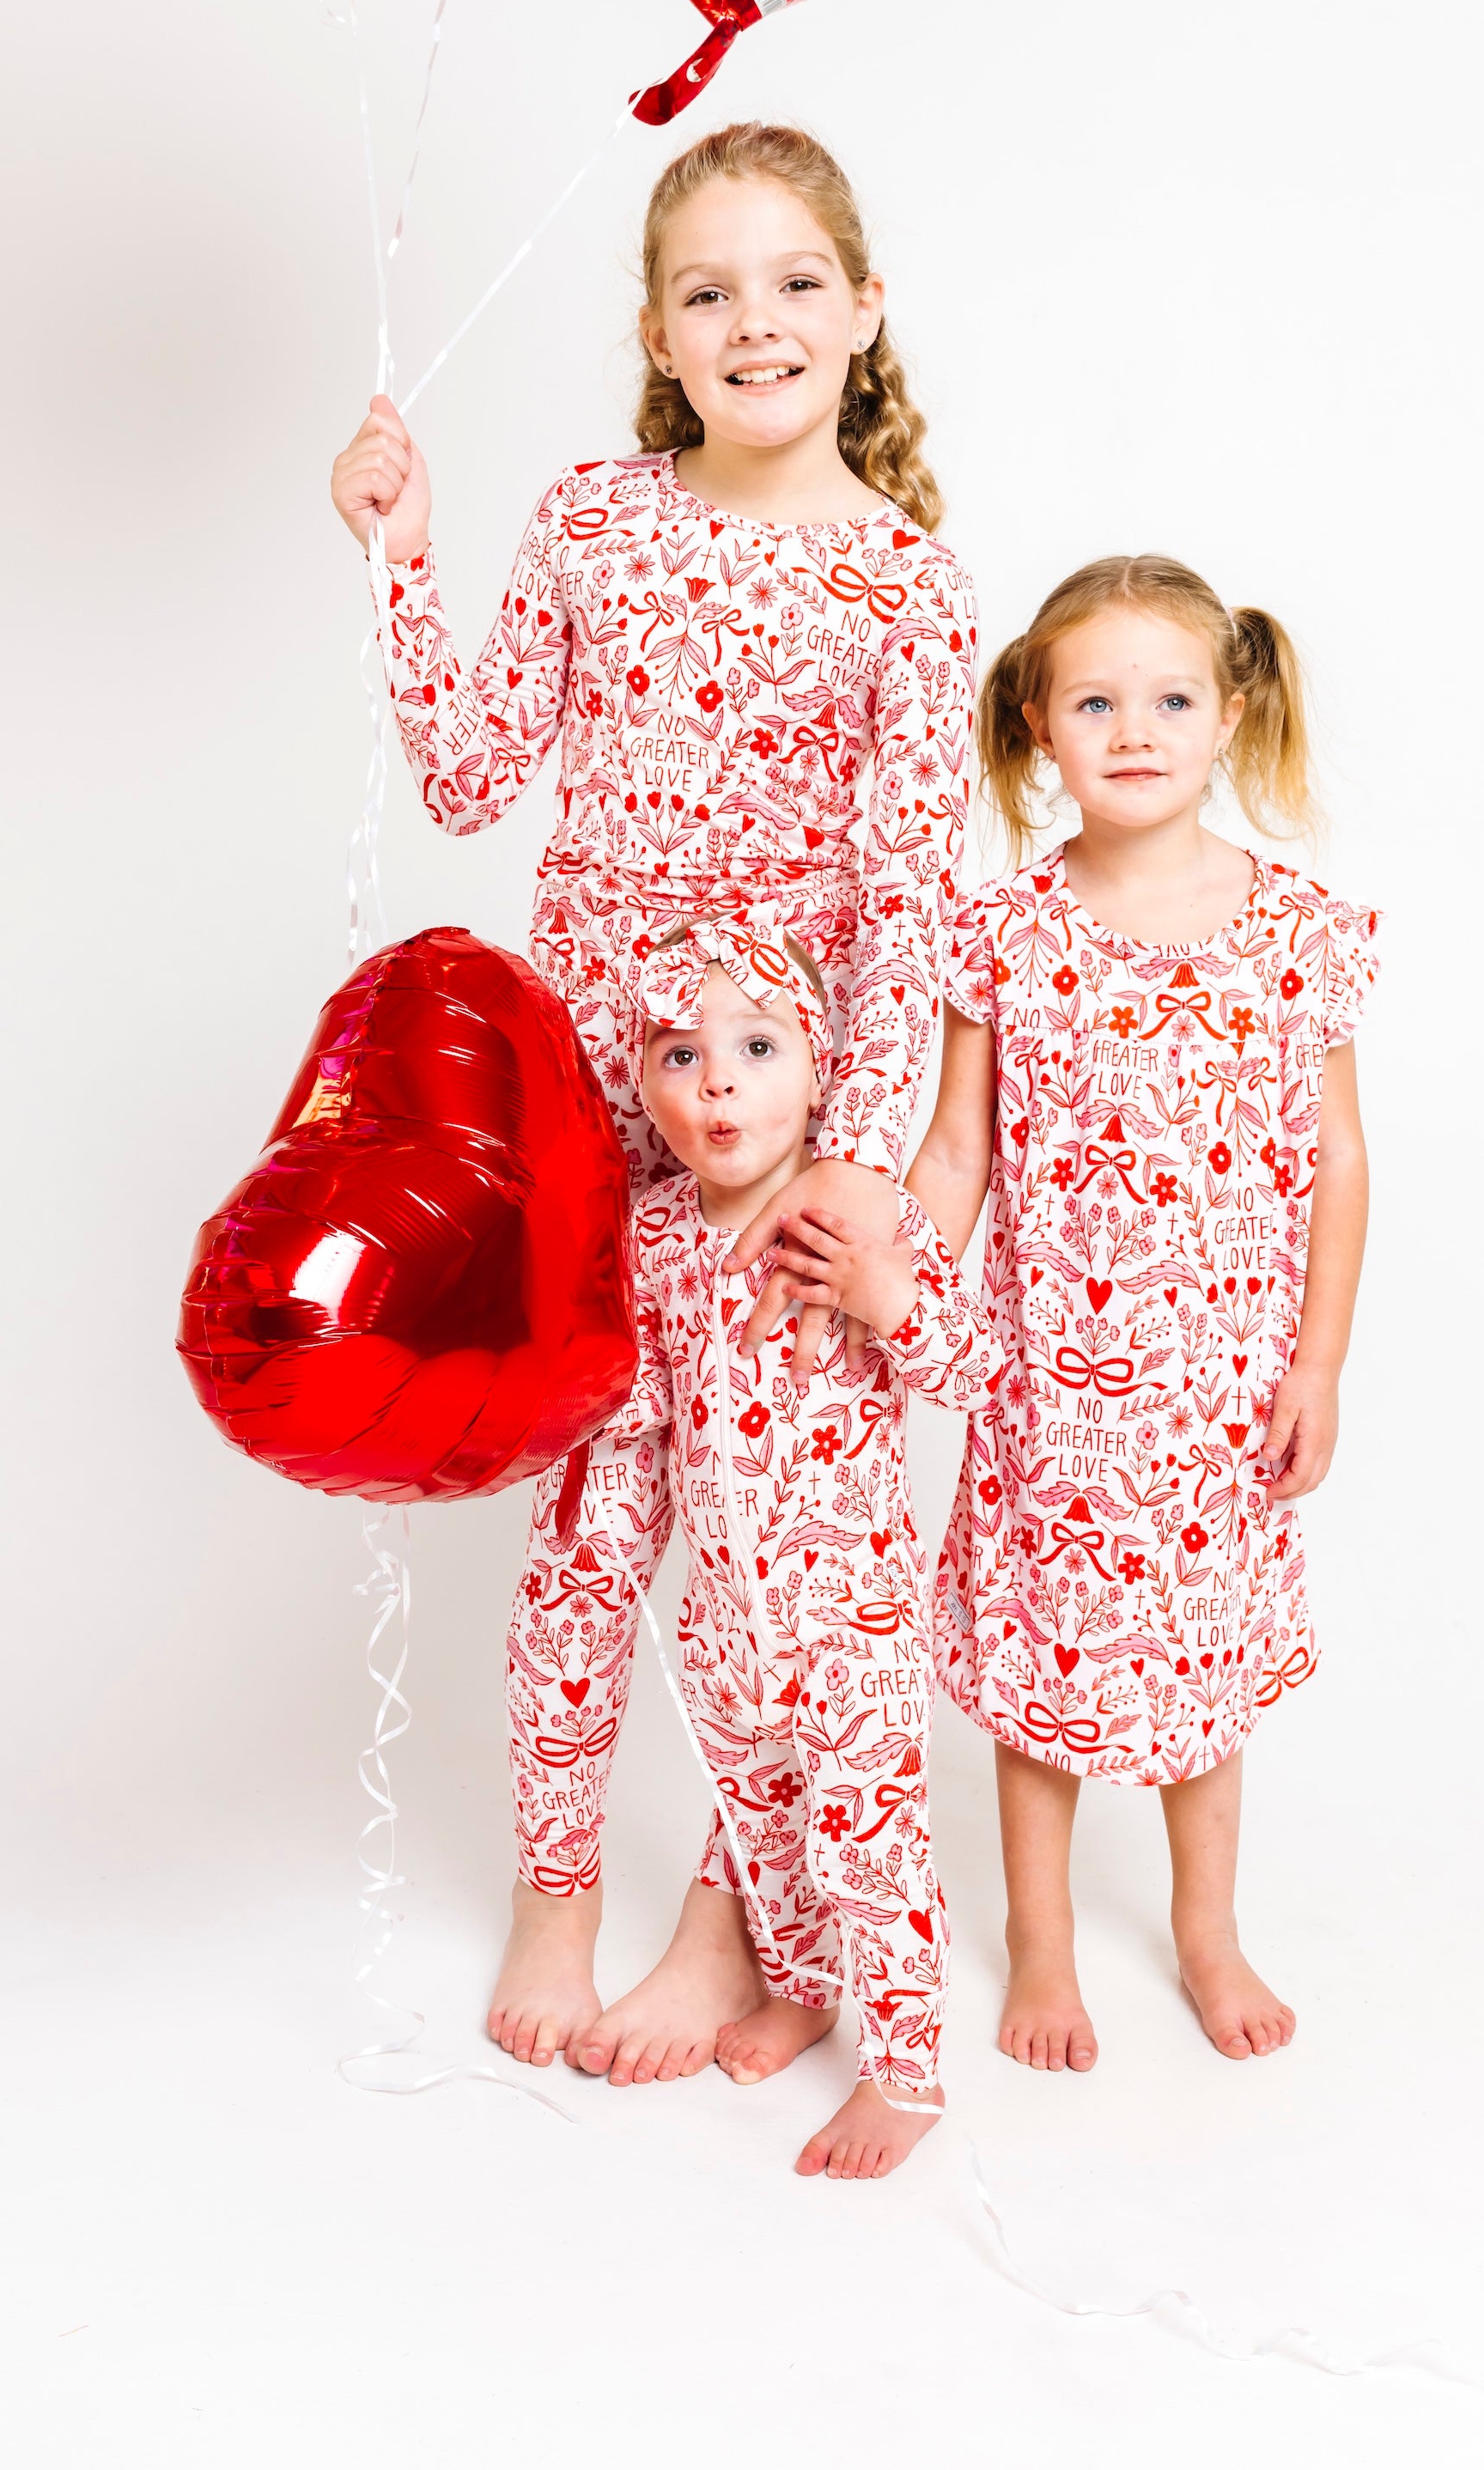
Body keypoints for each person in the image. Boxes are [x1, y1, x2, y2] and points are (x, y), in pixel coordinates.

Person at [327, 125, 977, 2076]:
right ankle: (555, 1894)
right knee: (597, 1537)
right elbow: (469, 776)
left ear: (863, 313)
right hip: (606, 1128)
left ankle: (724, 1932)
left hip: (783, 1150)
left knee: (778, 1558)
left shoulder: (907, 586)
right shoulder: (595, 522)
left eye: (794, 282)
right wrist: (401, 555)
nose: (752, 320)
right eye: (709, 290)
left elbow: (910, 903)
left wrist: (856, 1173)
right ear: (656, 332)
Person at [906, 556, 1377, 2073]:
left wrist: (1316, 1365)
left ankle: (1206, 1932)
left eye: (1169, 700)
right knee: (1039, 1682)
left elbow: (1337, 1157)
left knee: (1203, 1682)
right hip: (1049, 1397)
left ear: (1227, 714)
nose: (1133, 731)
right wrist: (895, 1298)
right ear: (1037, 727)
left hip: (1218, 1399)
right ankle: (1041, 1948)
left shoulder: (1298, 931)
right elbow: (957, 1152)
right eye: (1094, 703)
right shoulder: (1006, 930)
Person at [578, 916, 997, 2177]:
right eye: (680, 1054)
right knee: (761, 1825)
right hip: (724, 1623)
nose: (717, 1083)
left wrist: (885, 1299)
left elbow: (973, 1370)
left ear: (821, 1076)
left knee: (868, 1841)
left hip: (850, 1619)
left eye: (757, 1048)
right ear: (644, 1084)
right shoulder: (655, 1237)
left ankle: (906, 2072)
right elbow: (645, 1409)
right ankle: (803, 1990)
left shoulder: (859, 1219)